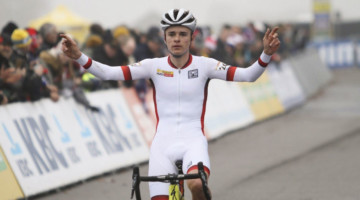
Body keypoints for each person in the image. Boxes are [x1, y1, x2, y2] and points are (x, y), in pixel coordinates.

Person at [61, 8, 280, 200]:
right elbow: (109, 73)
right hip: (162, 145)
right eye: (172, 34)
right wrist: (79, 56)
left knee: (196, 184)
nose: (177, 39)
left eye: (182, 34)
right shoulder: (152, 66)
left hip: (192, 141)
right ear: (164, 38)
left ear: (191, 38)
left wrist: (266, 55)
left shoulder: (206, 65)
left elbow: (248, 75)